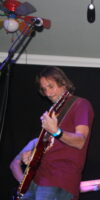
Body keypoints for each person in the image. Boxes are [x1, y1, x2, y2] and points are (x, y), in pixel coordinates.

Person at [20, 66, 94, 200]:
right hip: (37, 179)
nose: (48, 93)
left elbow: (80, 141)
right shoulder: (53, 112)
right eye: (44, 89)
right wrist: (33, 155)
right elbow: (50, 146)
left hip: (59, 179)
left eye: (51, 86)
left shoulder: (80, 104)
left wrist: (56, 131)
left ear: (63, 83)